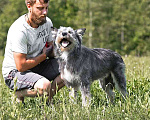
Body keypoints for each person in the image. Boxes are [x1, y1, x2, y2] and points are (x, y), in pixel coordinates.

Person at [2, 0, 65, 104]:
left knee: (70, 69)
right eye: (40, 8)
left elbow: (51, 49)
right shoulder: (20, 31)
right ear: (29, 6)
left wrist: (64, 49)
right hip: (14, 73)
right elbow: (21, 66)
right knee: (45, 85)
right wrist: (44, 55)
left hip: (37, 65)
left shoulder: (47, 22)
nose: (44, 12)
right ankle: (19, 93)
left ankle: (47, 101)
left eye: (46, 8)